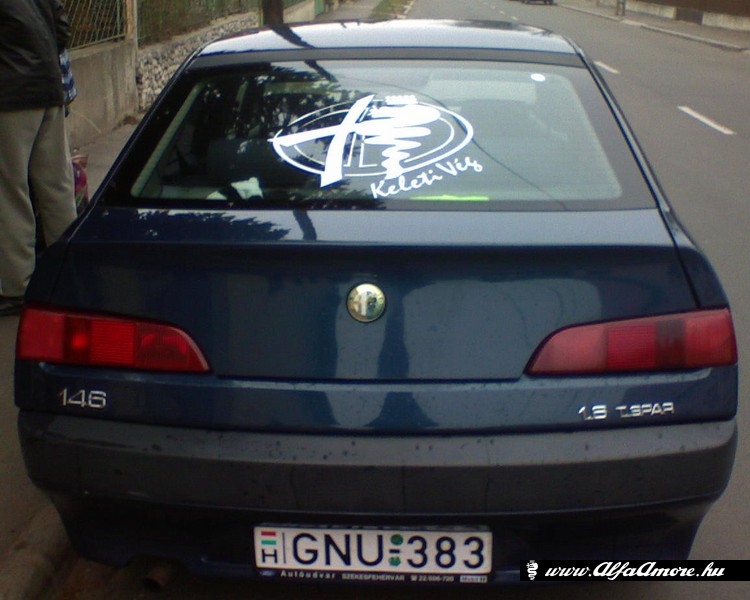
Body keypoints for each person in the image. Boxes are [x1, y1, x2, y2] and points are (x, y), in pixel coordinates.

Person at [0, 0, 78, 316]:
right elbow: (62, 29)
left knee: (9, 192)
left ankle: (17, 286)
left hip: (10, 95)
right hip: (49, 87)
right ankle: (70, 270)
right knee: (57, 187)